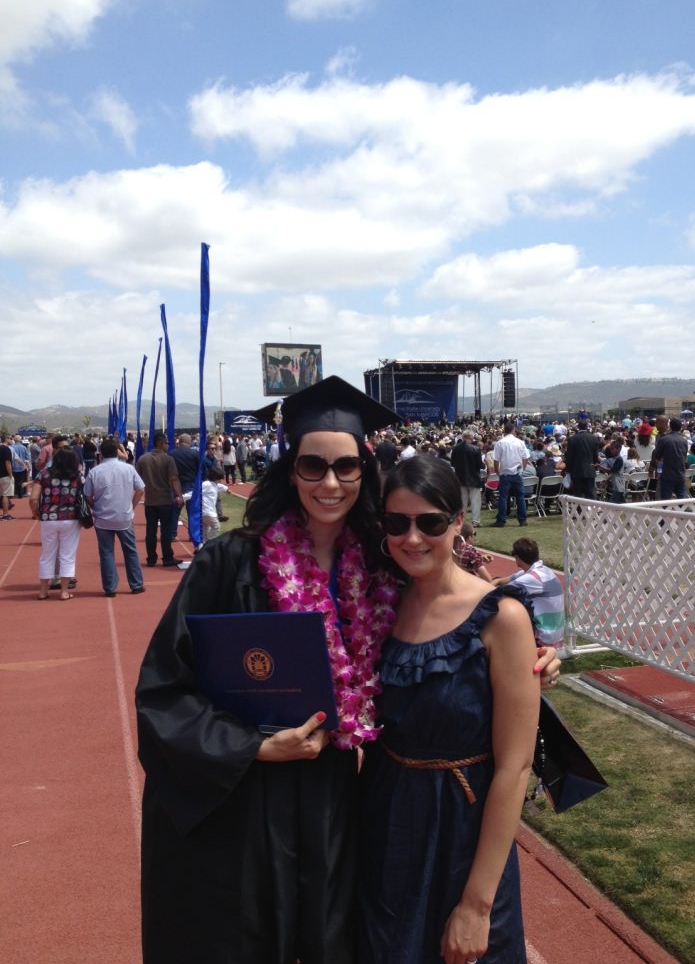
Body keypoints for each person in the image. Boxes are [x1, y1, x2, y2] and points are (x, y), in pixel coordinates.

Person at [135, 376, 560, 964]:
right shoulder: (230, 563)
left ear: (364, 471)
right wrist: (253, 747)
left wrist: (531, 656)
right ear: (290, 470)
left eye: (345, 466)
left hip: (340, 799)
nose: (330, 483)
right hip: (246, 808)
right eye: (313, 465)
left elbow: (453, 633)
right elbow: (163, 690)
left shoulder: (382, 563)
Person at [359, 456, 542, 963]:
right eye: (397, 523)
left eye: (430, 522)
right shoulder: (380, 604)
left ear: (457, 522)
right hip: (387, 817)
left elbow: (515, 765)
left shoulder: (501, 617)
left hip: (463, 825)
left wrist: (478, 904)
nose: (412, 538)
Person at [84, 438, 146, 597]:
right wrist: (131, 506)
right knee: (130, 551)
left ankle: (110, 588)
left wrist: (95, 506)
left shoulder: (95, 471)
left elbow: (87, 495)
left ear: (101, 453)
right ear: (117, 452)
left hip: (103, 518)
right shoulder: (128, 469)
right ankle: (136, 585)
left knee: (106, 553)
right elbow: (140, 489)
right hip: (124, 517)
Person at [29, 447, 83, 601]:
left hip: (49, 518)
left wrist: (36, 514)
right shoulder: (76, 475)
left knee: (47, 554)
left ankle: (43, 591)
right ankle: (64, 591)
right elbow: (85, 495)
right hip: (71, 518)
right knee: (68, 555)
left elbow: (33, 498)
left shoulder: (44, 474)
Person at [493, 537, 566, 650]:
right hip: (556, 634)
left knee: (504, 604)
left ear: (518, 558)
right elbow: (508, 579)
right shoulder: (543, 571)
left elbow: (496, 592)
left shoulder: (531, 578)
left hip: (544, 637)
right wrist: (497, 580)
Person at [135, 431, 184, 567]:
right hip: (165, 501)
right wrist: (179, 496)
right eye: (167, 443)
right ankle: (167, 557)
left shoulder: (143, 459)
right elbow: (174, 479)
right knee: (166, 530)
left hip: (150, 500)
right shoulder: (168, 459)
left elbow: (137, 479)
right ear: (162, 443)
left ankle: (151, 558)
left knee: (150, 530)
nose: (168, 446)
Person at [491, 423, 530, 528]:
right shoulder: (520, 442)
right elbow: (526, 457)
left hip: (505, 473)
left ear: (505, 430)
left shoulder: (500, 443)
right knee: (520, 497)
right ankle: (522, 519)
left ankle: (501, 520)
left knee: (503, 497)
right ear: (513, 430)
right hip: (517, 473)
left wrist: (498, 471)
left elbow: (496, 460)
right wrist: (522, 469)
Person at [451, 430, 485, 529]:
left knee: (462, 502)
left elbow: (453, 464)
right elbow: (480, 465)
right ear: (471, 437)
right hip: (474, 478)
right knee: (475, 501)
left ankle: (461, 521)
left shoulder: (456, 449)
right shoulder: (475, 449)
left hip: (460, 478)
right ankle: (475, 521)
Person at [650, 417, 688, 501]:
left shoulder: (664, 439)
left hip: (667, 474)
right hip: (680, 473)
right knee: (682, 500)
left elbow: (657, 456)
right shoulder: (684, 440)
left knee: (665, 501)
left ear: (667, 424)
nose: (656, 424)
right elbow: (684, 457)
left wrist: (658, 470)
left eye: (658, 422)